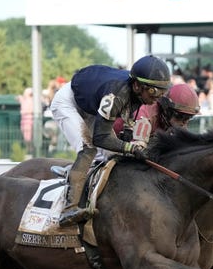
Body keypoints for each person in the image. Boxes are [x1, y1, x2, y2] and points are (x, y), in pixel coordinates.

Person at [50, 55, 171, 226]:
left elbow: (125, 132)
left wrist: (130, 146)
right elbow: (100, 138)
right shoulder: (117, 94)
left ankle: (76, 176)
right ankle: (68, 209)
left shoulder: (137, 94)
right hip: (68, 102)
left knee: (112, 155)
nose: (158, 97)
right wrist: (130, 148)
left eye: (162, 91)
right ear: (137, 86)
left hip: (90, 105)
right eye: (154, 91)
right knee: (88, 149)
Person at [113, 83, 201, 140]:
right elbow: (135, 150)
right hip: (112, 140)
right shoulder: (144, 115)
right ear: (167, 111)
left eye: (189, 118)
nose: (184, 123)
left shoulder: (172, 121)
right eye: (181, 117)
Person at [16, 88, 34, 154]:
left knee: (29, 136)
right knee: (25, 135)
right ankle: (28, 148)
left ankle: (30, 149)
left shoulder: (32, 100)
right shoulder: (23, 99)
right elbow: (17, 98)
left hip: (29, 120)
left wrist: (25, 112)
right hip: (23, 120)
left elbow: (32, 110)